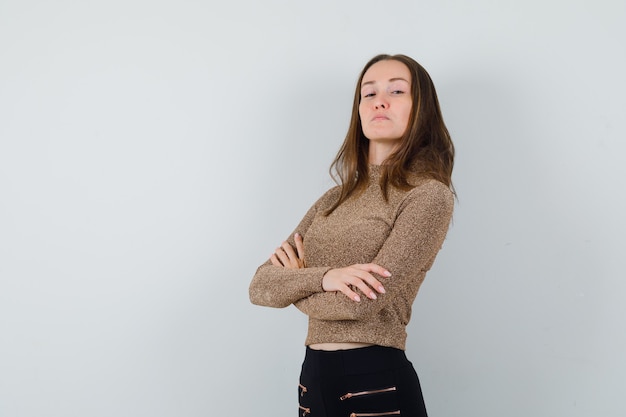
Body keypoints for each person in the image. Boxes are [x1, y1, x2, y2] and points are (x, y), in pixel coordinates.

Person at [249, 53, 455, 417]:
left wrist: (295, 285)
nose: (380, 100)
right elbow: (261, 286)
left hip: (374, 378)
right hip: (312, 379)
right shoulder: (333, 198)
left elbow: (360, 303)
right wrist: (326, 278)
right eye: (368, 93)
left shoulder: (427, 195)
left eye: (397, 90)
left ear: (421, 108)